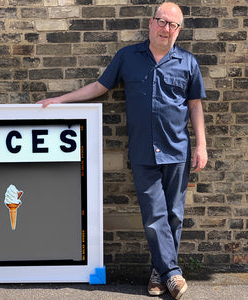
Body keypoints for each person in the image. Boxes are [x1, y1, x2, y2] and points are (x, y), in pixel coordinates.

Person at [37, 2, 207, 299]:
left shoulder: (188, 63)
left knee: (174, 216)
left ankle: (159, 274)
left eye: (173, 25)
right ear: (151, 22)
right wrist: (62, 100)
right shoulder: (128, 57)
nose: (166, 29)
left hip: (178, 149)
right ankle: (173, 274)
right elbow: (99, 87)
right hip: (143, 151)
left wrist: (202, 145)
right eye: (161, 21)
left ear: (179, 31)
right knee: (155, 216)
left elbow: (195, 106)